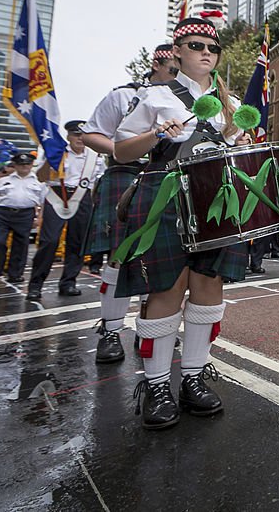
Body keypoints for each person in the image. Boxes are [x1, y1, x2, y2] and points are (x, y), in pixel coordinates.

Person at [113, 17, 250, 430]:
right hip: (166, 196)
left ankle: (192, 376)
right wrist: (156, 134)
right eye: (194, 46)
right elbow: (121, 150)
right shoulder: (155, 94)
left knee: (208, 286)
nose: (205, 53)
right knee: (167, 288)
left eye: (211, 48)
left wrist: (241, 141)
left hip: (214, 198)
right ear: (177, 52)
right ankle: (156, 385)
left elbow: (236, 150)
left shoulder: (233, 102)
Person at [81, 44, 178, 363]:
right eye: (174, 66)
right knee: (119, 257)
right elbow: (91, 134)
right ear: (158, 63)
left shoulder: (183, 100)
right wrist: (128, 148)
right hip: (126, 175)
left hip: (166, 179)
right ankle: (110, 331)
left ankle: (148, 329)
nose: (180, 73)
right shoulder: (124, 96)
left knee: (160, 260)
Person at [26, 121, 105, 301]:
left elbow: (98, 184)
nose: (79, 138)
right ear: (68, 136)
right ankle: (35, 285)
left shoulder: (96, 158)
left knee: (77, 243)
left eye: (82, 135)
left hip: (82, 198)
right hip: (57, 196)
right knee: (49, 241)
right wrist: (52, 159)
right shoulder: (58, 153)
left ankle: (69, 282)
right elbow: (41, 177)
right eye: (75, 134)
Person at [0, 153, 44, 284]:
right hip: (2, 213)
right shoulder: (3, 181)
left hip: (25, 214)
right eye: (21, 164)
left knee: (21, 246)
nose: (24, 167)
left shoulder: (39, 183)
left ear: (31, 165)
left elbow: (43, 203)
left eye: (27, 164)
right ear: (15, 165)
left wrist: (39, 218)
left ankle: (15, 274)